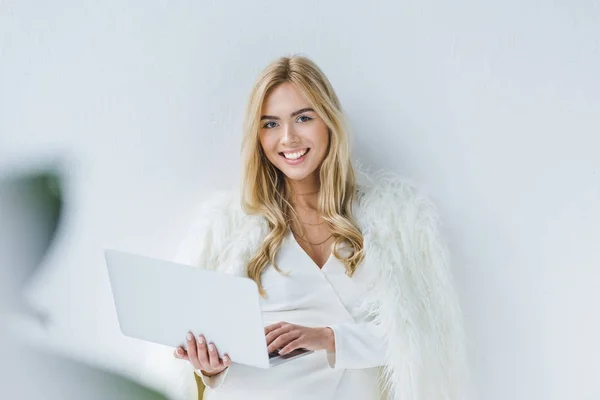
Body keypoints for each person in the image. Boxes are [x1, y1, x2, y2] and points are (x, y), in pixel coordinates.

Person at [141, 55, 471, 400]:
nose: (288, 138)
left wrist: (328, 337)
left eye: (303, 118)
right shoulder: (232, 229)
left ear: (328, 120)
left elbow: (419, 343)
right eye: (270, 124)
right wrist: (209, 368)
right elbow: (209, 351)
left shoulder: (392, 225)